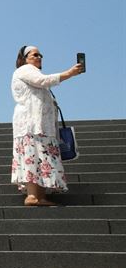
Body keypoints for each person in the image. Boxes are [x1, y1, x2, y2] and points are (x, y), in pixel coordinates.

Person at [11, 45, 83, 206]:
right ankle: (32, 196)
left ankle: (40, 197)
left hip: (41, 125)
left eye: (40, 54)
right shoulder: (24, 69)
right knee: (33, 157)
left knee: (39, 158)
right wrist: (69, 73)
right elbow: (43, 81)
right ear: (24, 58)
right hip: (31, 124)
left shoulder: (32, 71)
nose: (39, 57)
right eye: (34, 54)